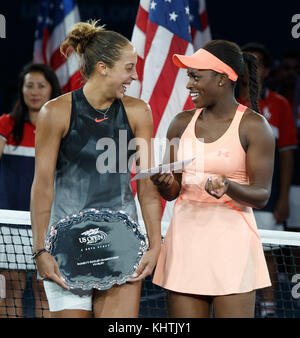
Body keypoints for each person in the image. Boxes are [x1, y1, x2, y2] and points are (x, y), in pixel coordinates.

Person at [30, 20, 162, 318]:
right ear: (103, 67)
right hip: (64, 247)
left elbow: (147, 185)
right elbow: (42, 186)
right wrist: (41, 250)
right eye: (128, 68)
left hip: (122, 244)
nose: (134, 75)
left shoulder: (139, 111)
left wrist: (155, 246)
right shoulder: (56, 112)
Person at [151, 40, 275, 318]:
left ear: (221, 79)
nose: (189, 85)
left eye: (196, 77)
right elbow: (173, 190)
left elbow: (262, 194)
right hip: (185, 245)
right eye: (189, 77)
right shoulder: (180, 123)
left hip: (233, 250)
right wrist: (162, 182)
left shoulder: (254, 126)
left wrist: (229, 186)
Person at [237, 43, 298, 317]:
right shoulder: (228, 103)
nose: (251, 68)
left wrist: (283, 198)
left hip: (268, 195)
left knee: (269, 252)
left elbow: (286, 155)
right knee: (235, 252)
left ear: (267, 70)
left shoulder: (280, 105)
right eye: (245, 62)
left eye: (257, 63)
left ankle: (270, 307)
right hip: (231, 193)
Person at [0, 63, 61, 317]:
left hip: (47, 222)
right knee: (10, 290)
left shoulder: (60, 127)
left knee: (44, 289)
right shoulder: (6, 124)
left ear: (51, 90)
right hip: (10, 222)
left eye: (41, 86)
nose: (34, 91)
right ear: (22, 90)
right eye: (29, 85)